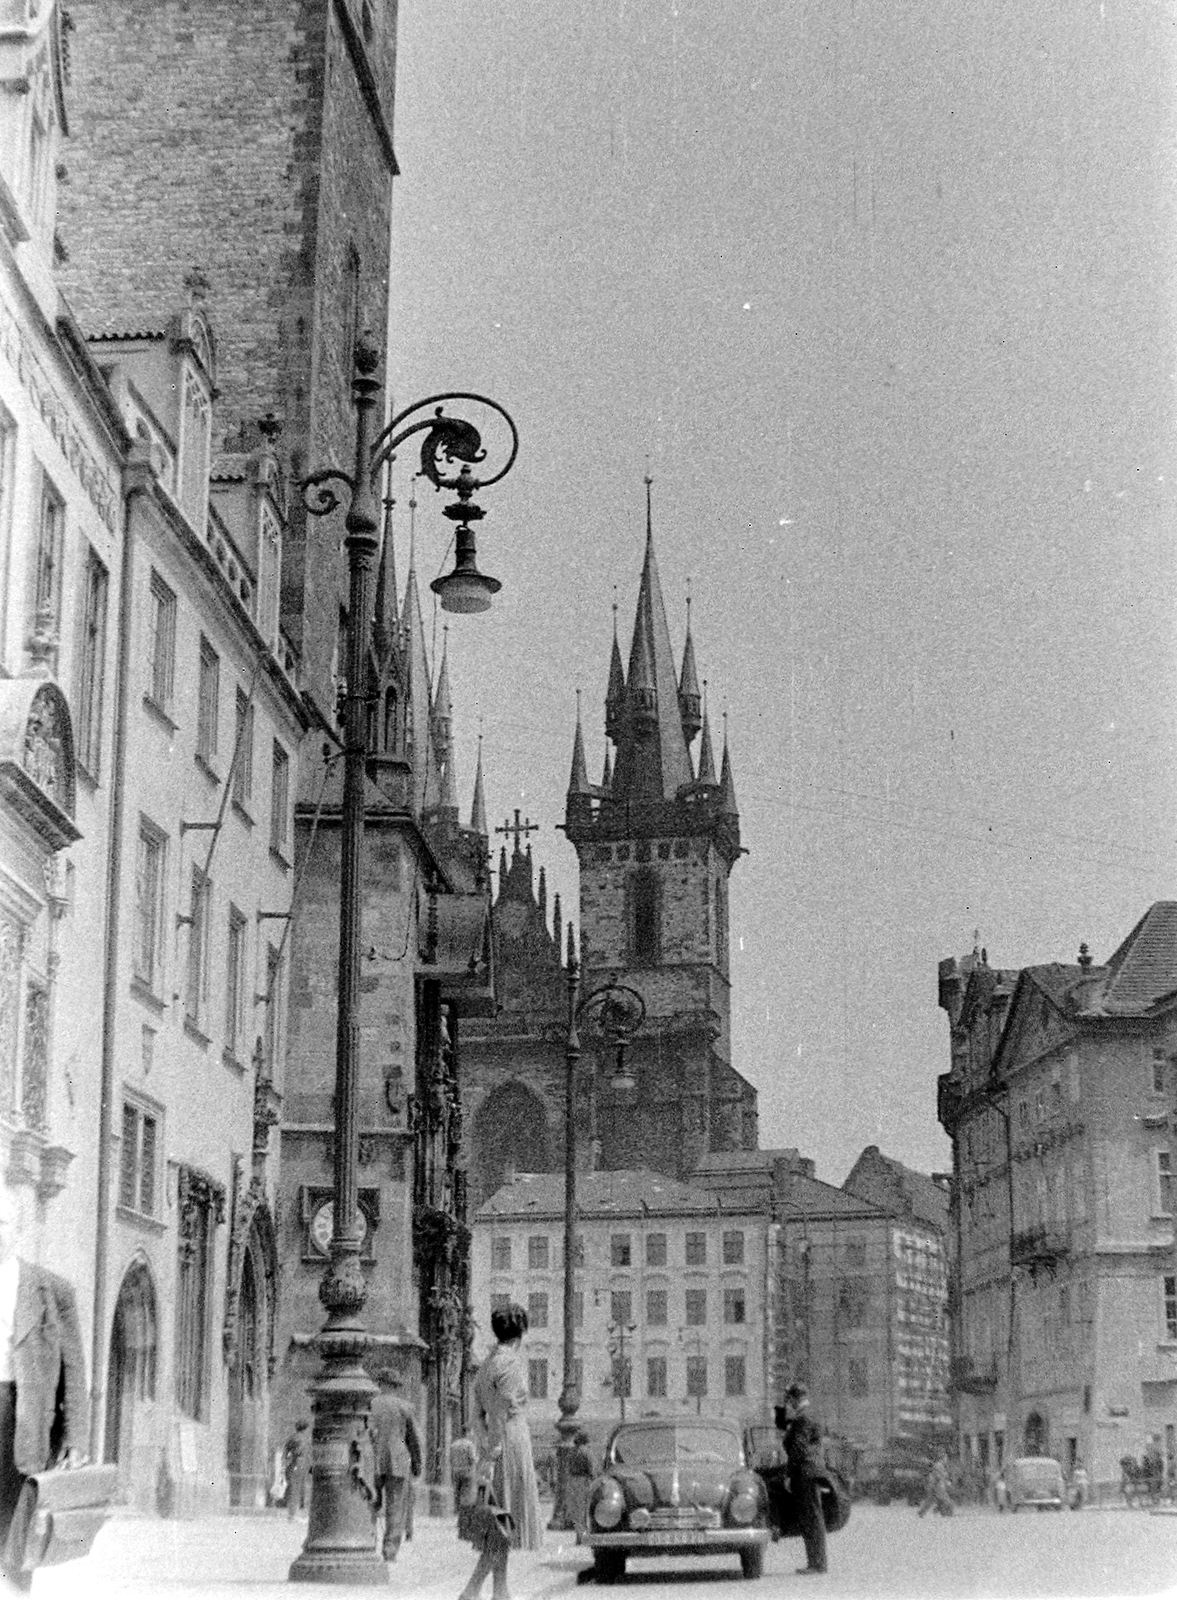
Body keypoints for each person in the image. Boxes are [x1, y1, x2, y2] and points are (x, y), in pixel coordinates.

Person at [0, 1181, 87, 1589]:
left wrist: (76, 1437)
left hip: (26, 1420)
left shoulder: (53, 1290)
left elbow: (74, 1368)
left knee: (17, 1534)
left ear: (18, 1229)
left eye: (2, 1222)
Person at [461, 1301, 543, 1600]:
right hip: (510, 1444)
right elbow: (502, 1411)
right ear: (520, 1332)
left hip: (495, 1445)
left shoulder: (487, 1364)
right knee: (503, 1523)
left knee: (500, 1522)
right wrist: (496, 1447)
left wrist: (486, 1446)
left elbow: (476, 1417)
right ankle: (472, 1590)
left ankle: (500, 1590)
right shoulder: (509, 1364)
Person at [367, 1370, 422, 1563]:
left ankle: (368, 1544)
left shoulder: (370, 1405)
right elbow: (413, 1439)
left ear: (380, 1384)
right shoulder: (405, 1407)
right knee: (396, 1507)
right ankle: (389, 1550)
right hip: (398, 1462)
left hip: (373, 1461)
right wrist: (417, 1463)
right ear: (393, 1385)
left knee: (370, 1503)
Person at [780, 1382, 827, 1575]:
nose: (788, 1403)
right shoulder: (810, 1415)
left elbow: (798, 1449)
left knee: (811, 1518)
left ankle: (817, 1564)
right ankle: (816, 1562)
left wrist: (789, 1474)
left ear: (794, 1398)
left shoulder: (803, 1418)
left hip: (805, 1471)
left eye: (789, 1399)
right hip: (812, 1470)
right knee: (812, 1517)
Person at [566, 1430, 594, 1535]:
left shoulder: (571, 1453)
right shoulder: (586, 1452)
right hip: (583, 1480)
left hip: (572, 1480)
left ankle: (578, 1532)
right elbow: (590, 1469)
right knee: (584, 1507)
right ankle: (584, 1532)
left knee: (575, 1509)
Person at [283, 1419, 311, 1519]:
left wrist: (287, 1460)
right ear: (305, 1429)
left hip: (295, 1464)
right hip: (301, 1464)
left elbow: (286, 1451)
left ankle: (293, 1513)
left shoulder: (293, 1437)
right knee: (297, 1489)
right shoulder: (303, 1438)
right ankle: (294, 1514)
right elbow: (300, 1451)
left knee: (294, 1489)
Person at [918, 1452, 954, 1518]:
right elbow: (939, 1476)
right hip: (936, 1486)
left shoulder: (939, 1465)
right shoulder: (939, 1466)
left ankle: (923, 1512)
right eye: (945, 1458)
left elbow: (939, 1475)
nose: (946, 1460)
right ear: (942, 1458)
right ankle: (947, 1513)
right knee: (945, 1499)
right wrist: (946, 1481)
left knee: (932, 1500)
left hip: (934, 1485)